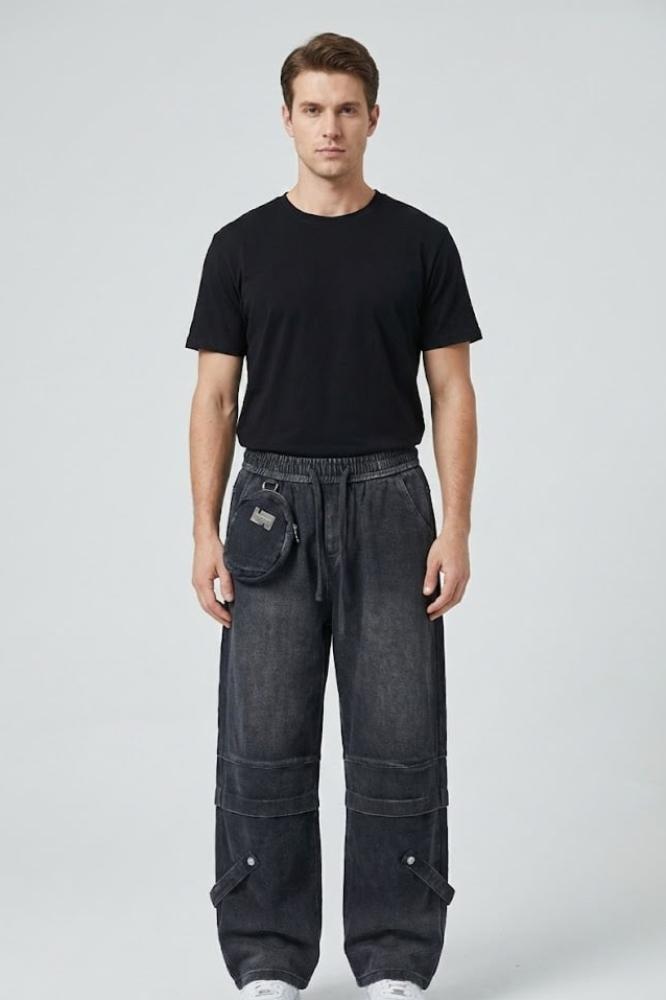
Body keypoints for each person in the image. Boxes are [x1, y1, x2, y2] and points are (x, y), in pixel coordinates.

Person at [185, 30, 482, 1000]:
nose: (330, 127)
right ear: (286, 118)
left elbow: (452, 390)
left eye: (347, 109)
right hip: (269, 507)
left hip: (392, 501)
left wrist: (456, 526)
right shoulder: (239, 247)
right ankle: (268, 956)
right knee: (264, 738)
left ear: (374, 118)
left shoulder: (422, 242)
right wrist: (203, 530)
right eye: (312, 109)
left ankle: (394, 955)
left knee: (398, 736)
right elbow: (214, 398)